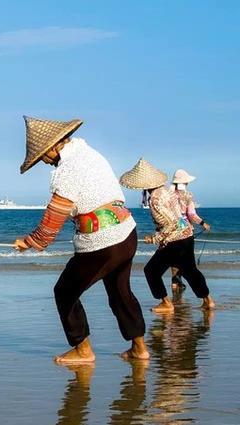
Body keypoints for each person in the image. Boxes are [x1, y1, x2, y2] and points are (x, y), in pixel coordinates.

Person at [13, 116, 148, 363]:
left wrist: (31, 242)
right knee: (120, 292)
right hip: (127, 234)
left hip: (103, 242)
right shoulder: (91, 154)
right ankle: (139, 348)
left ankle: (83, 351)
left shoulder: (66, 170)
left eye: (43, 156)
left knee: (64, 291)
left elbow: (55, 216)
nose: (44, 161)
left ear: (54, 146)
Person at [119, 159, 215, 313]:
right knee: (190, 270)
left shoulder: (155, 199)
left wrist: (155, 238)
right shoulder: (168, 192)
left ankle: (166, 303)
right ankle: (208, 300)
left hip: (174, 241)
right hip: (187, 236)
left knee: (151, 271)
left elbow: (171, 224)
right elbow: (180, 218)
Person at [170, 169, 210, 290]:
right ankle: (201, 291)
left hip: (170, 230)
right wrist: (203, 223)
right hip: (185, 230)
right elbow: (191, 214)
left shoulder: (168, 195)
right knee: (186, 259)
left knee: (173, 257)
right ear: (184, 183)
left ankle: (175, 283)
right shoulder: (188, 196)